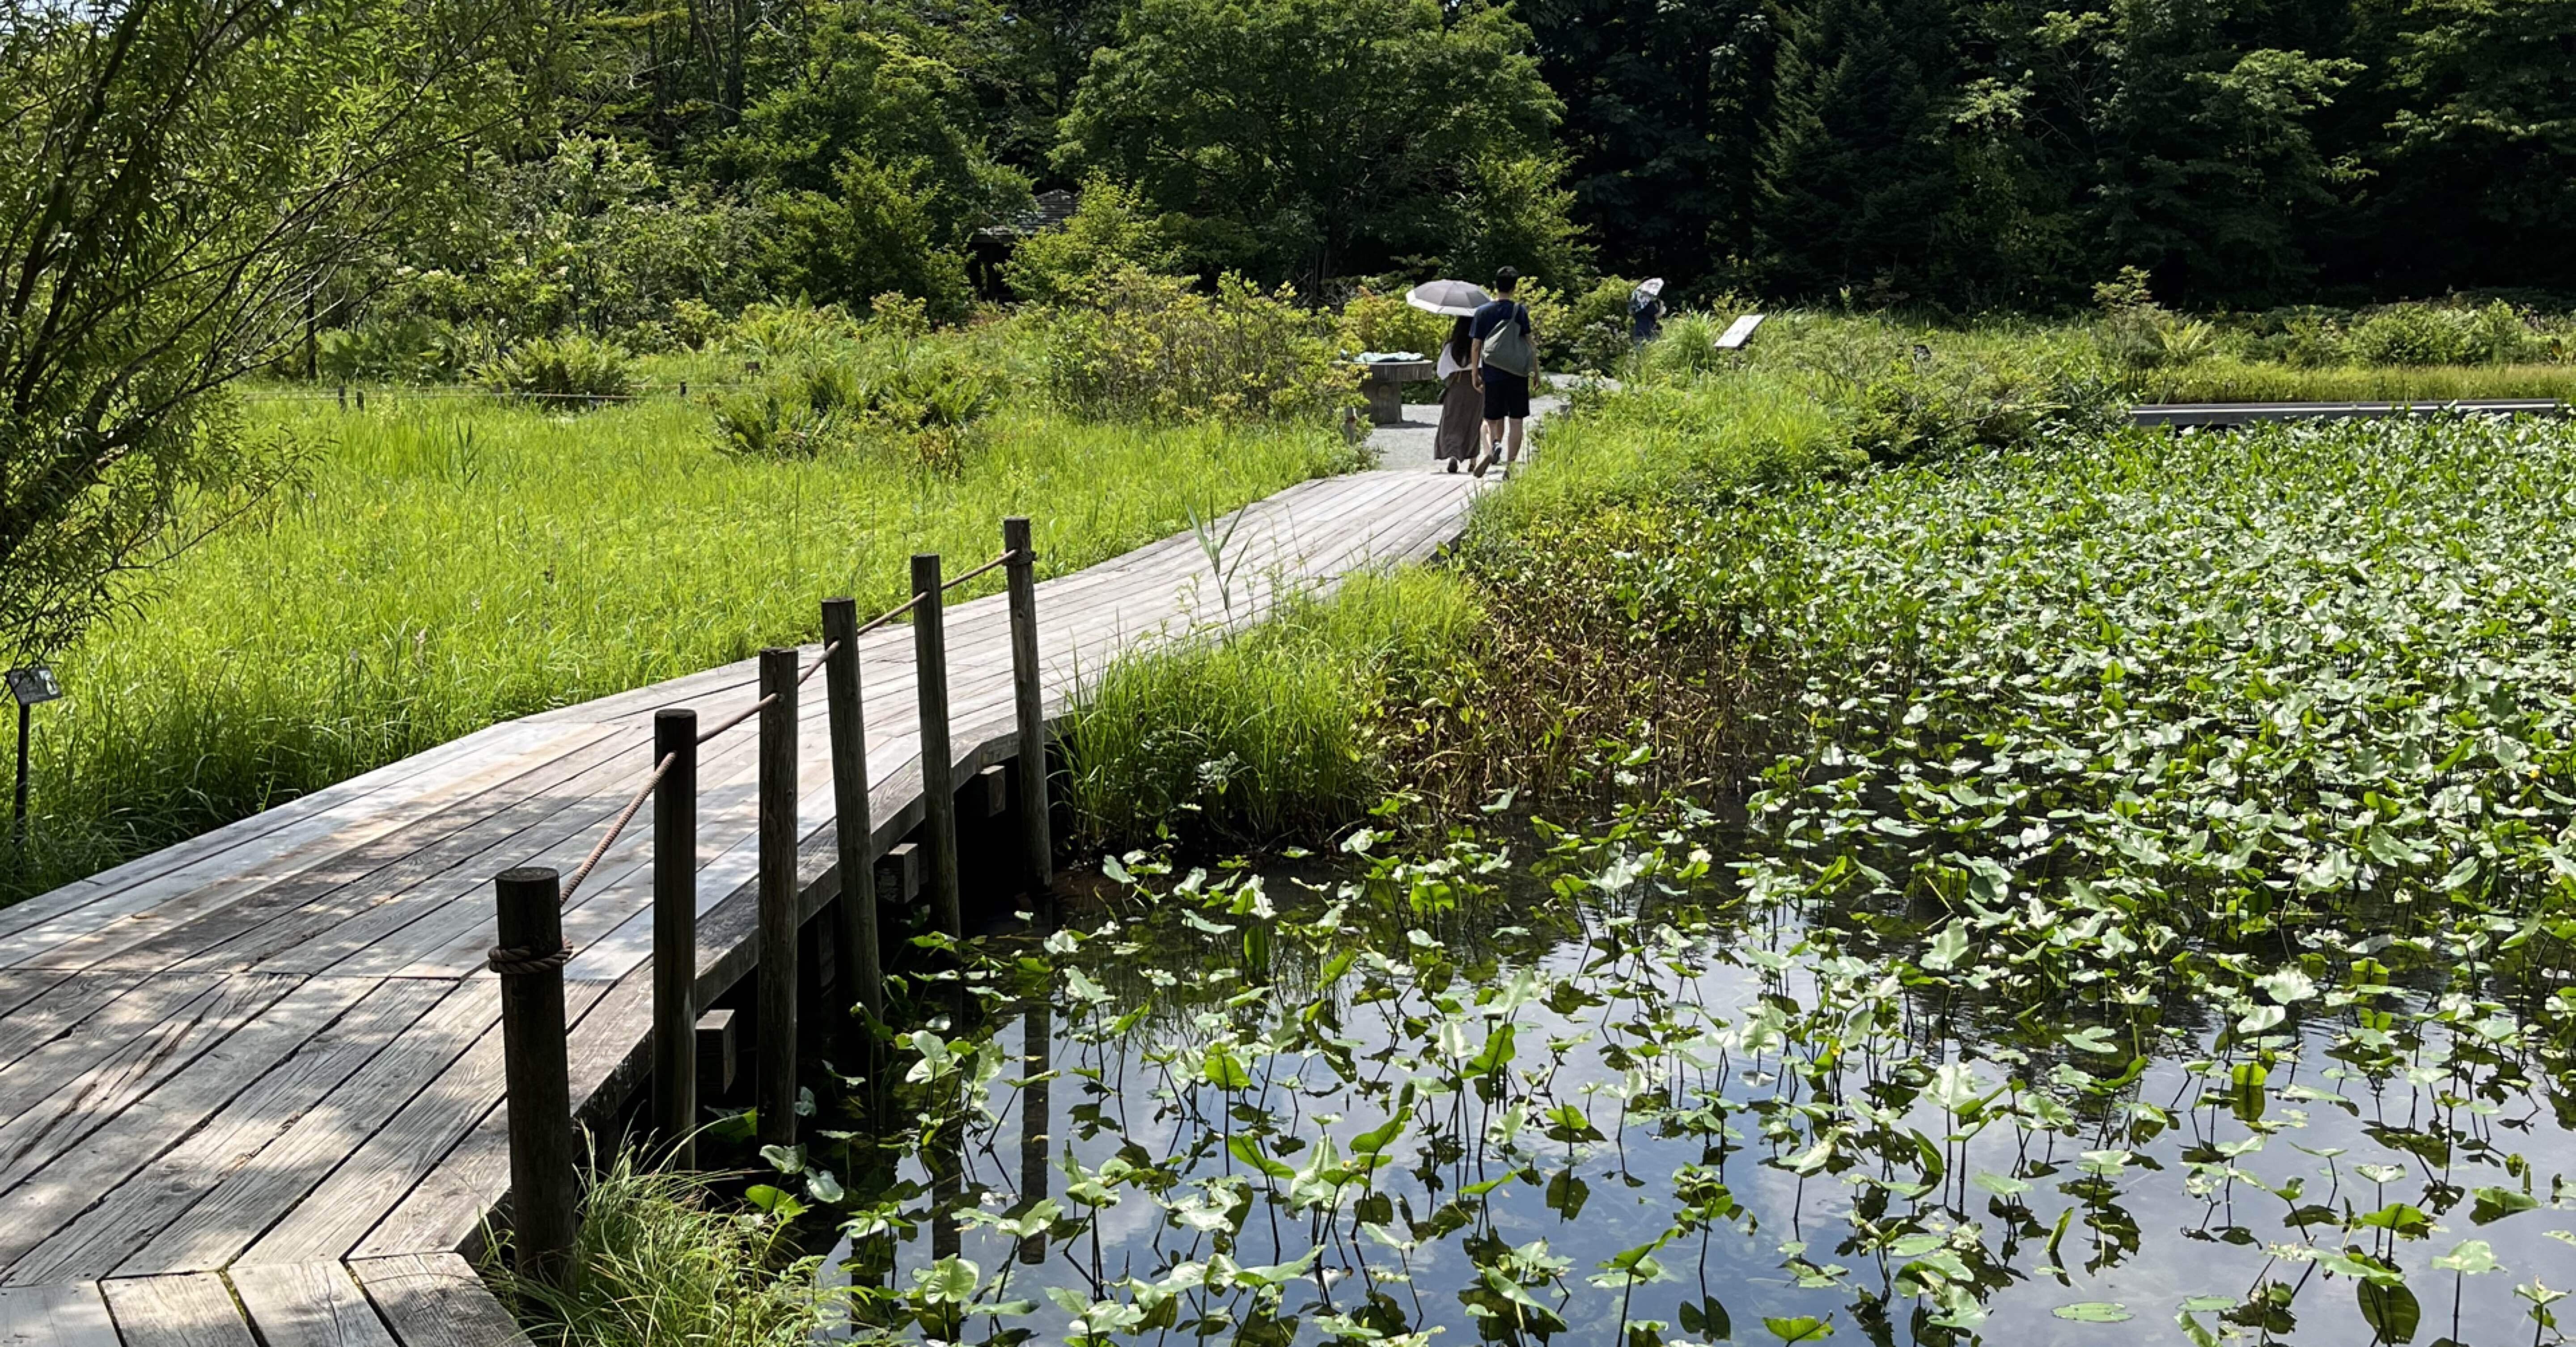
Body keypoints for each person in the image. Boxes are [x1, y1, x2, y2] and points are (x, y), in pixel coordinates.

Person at [1468, 267, 1534, 478]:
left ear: (1495, 285)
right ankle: (1511, 467)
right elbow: (1530, 344)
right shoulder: (1519, 311)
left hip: (1493, 373)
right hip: (1517, 372)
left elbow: (1476, 346)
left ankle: (1493, 447)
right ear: (1514, 287)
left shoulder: (1482, 312)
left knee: (1491, 419)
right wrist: (1537, 373)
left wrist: (1475, 373)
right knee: (1516, 420)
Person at [1432, 316, 1479, 472]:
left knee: (1453, 420)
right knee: (1474, 421)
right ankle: (1473, 460)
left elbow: (1441, 371)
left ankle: (1453, 456)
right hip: (1476, 385)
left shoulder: (1451, 347)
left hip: (1457, 384)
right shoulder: (1479, 344)